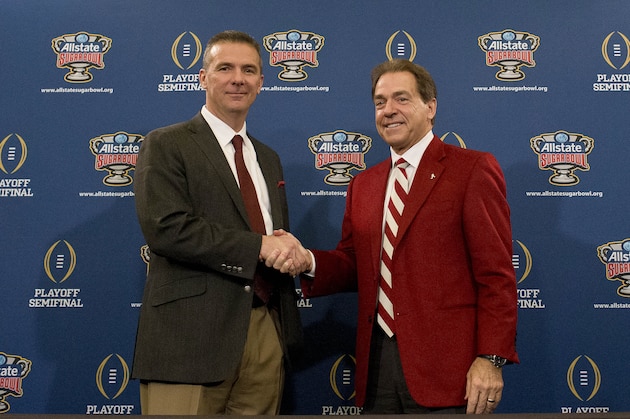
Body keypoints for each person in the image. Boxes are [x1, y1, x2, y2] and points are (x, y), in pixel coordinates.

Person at [268, 59, 519, 414]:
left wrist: (491, 358)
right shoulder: (363, 185)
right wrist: (307, 260)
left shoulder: (472, 169)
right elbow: (355, 263)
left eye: (401, 99)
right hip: (377, 369)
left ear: (431, 107)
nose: (389, 111)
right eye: (380, 102)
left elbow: (496, 275)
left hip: (452, 371)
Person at [131, 30, 305, 415]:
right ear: (203, 78)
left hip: (264, 332)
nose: (237, 78)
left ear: (261, 83)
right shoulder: (166, 144)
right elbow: (166, 227)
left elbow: (272, 237)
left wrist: (291, 252)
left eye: (249, 70)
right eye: (225, 67)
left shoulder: (268, 158)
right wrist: (259, 246)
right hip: (187, 341)